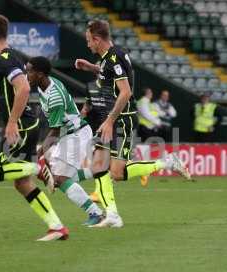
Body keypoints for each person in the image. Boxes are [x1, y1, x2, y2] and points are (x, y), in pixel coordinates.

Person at [74, 20, 191, 227]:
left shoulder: (114, 57)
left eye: (88, 41)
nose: (87, 45)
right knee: (99, 166)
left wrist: (110, 120)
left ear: (97, 39)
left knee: (117, 173)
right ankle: (112, 215)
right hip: (109, 118)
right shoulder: (108, 57)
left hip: (122, 119)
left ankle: (168, 162)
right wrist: (92, 68)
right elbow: (108, 75)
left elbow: (126, 91)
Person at [0, 14, 68, 241]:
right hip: (27, 124)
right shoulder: (9, 56)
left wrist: (12, 122)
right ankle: (57, 227)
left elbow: (23, 89)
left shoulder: (4, 58)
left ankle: (36, 167)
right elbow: (11, 97)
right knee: (22, 184)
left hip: (21, 126)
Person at [26, 56, 104, 226]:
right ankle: (101, 171)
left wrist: (39, 152)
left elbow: (54, 130)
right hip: (69, 134)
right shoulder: (44, 85)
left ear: (39, 74)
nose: (27, 75)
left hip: (75, 135)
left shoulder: (54, 96)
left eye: (29, 71)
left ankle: (96, 213)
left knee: (61, 179)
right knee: (62, 177)